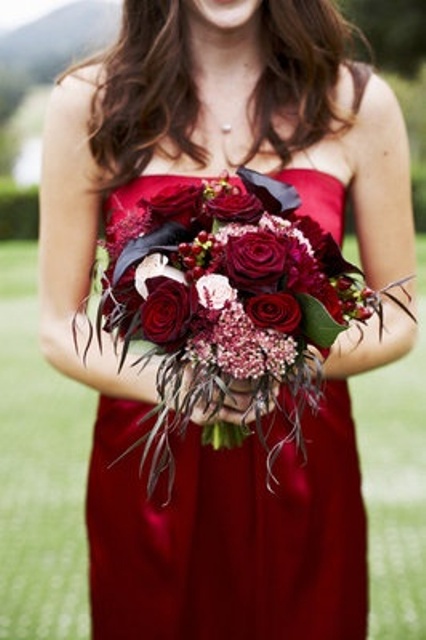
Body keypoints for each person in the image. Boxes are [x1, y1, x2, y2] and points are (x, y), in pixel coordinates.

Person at [38, 1, 417, 638]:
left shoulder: (357, 102)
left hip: (301, 462)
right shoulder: (90, 103)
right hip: (149, 467)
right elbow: (58, 325)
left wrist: (276, 360)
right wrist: (181, 385)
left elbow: (400, 313)